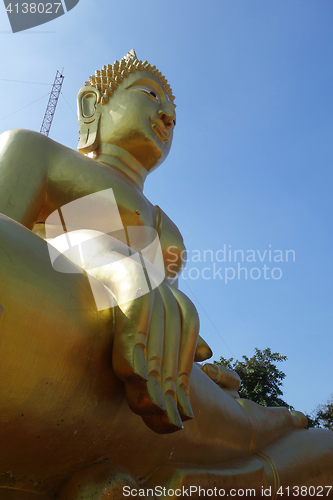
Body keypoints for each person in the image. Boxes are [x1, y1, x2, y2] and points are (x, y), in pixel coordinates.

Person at [0, 50, 332, 499]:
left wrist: (196, 357)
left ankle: (216, 473)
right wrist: (102, 257)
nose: (165, 116)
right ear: (90, 106)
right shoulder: (40, 154)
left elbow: (161, 314)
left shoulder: (167, 230)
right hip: (56, 328)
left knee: (314, 448)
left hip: (149, 378)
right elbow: (13, 249)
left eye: (173, 114)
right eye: (149, 94)